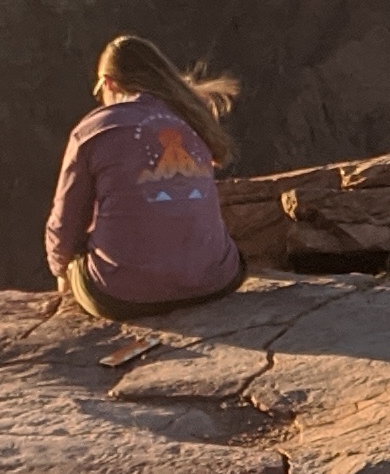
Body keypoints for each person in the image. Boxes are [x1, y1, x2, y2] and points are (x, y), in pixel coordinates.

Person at [48, 33, 246, 318]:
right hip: (214, 283)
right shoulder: (191, 119)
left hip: (121, 296)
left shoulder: (92, 131)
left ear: (109, 83)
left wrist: (63, 275)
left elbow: (64, 224)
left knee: (76, 248)